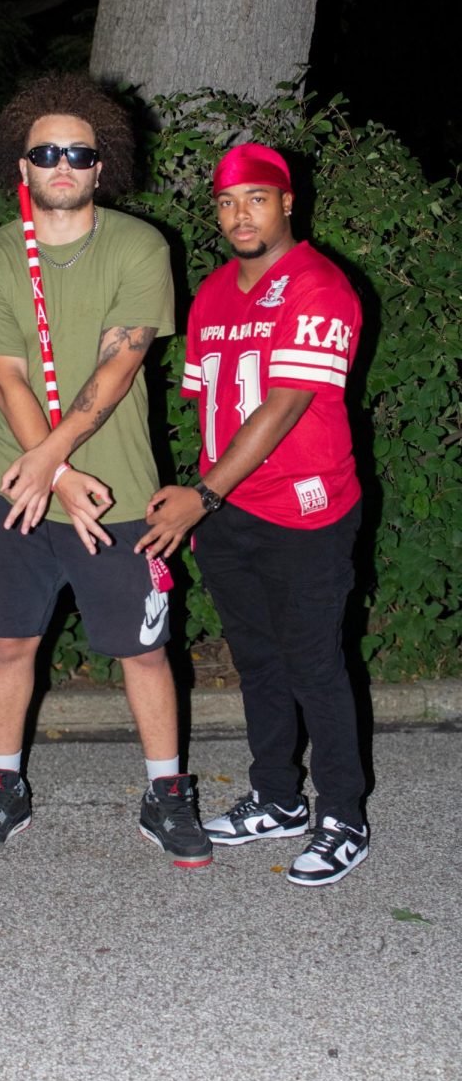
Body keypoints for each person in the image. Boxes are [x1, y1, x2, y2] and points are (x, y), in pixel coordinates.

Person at [0, 73, 212, 870]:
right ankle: (3, 784)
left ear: (103, 167)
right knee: (9, 646)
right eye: (46, 153)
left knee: (141, 650)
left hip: (126, 488)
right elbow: (7, 379)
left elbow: (118, 369)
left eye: (79, 153)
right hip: (13, 487)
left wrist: (61, 465)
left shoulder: (140, 247)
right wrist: (57, 477)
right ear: (20, 167)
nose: (62, 164)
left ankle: (166, 791)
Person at [136, 143, 368, 887]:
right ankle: (276, 797)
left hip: (304, 511)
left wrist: (200, 495)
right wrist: (207, 502)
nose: (241, 216)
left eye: (257, 201)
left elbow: (285, 404)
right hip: (228, 515)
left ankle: (343, 816)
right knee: (257, 660)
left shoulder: (320, 286)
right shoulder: (210, 295)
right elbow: (209, 408)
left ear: (288, 202)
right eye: (229, 204)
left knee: (313, 662)